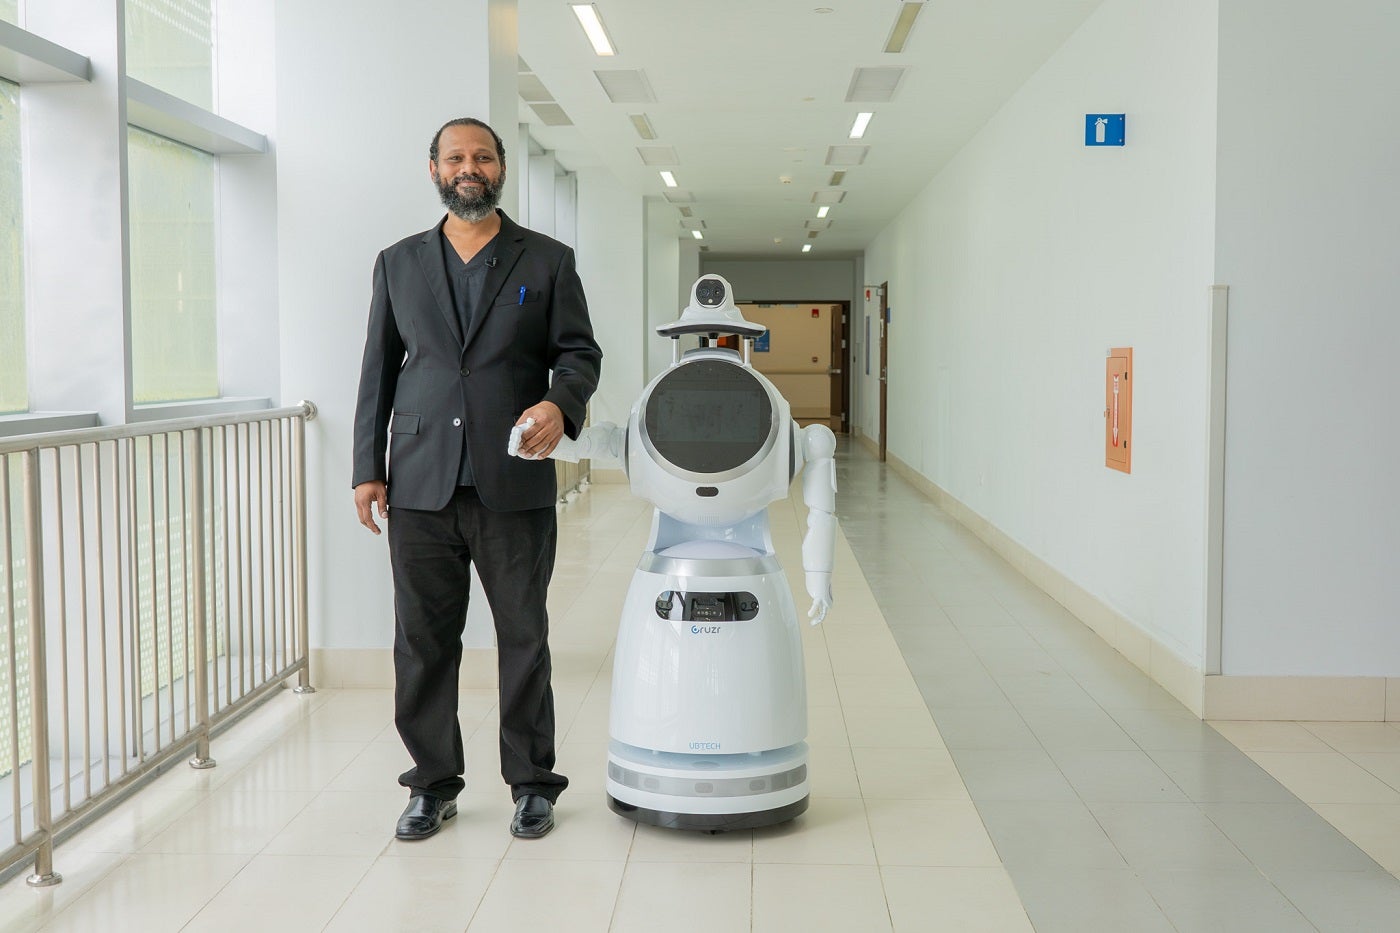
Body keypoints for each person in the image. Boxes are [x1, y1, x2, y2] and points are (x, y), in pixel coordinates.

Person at [351, 117, 602, 841]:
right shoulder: (397, 262)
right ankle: (431, 784)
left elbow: (580, 352)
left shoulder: (546, 260)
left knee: (524, 635)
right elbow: (378, 369)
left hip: (512, 480)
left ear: (501, 169)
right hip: (421, 482)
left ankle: (532, 783)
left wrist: (561, 401)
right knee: (422, 641)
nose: (470, 167)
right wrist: (368, 468)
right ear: (433, 168)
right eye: (456, 157)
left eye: (483, 157)